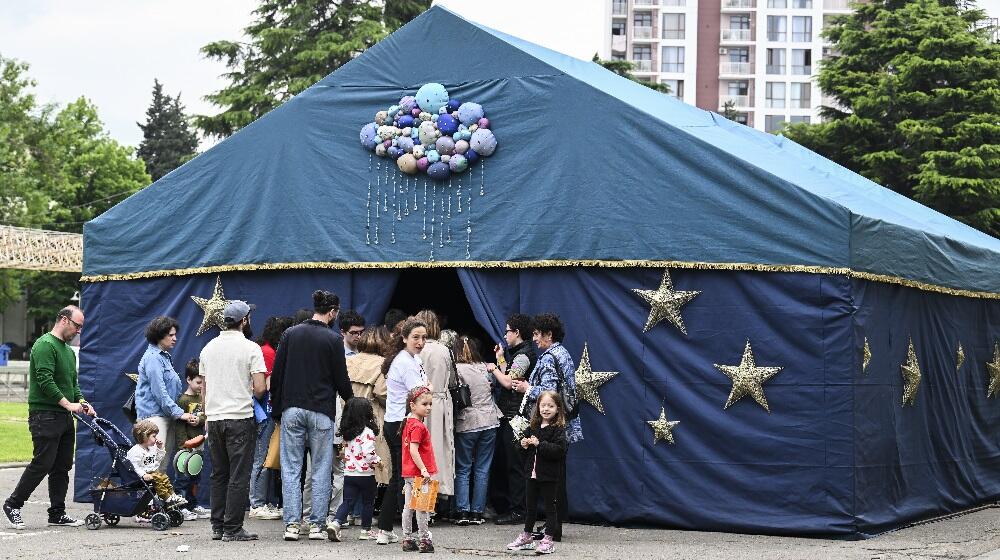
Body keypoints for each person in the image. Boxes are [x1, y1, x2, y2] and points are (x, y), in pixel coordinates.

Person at [270, 290, 354, 542]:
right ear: (332, 312)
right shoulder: (332, 339)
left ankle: (292, 525)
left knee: (292, 468)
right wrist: (351, 402)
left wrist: (277, 411)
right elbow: (341, 378)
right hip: (321, 411)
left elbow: (278, 374)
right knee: (320, 469)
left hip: (292, 409)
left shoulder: (290, 334)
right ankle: (317, 525)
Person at [4, 306, 95, 529]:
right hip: (44, 415)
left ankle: (57, 513)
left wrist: (82, 403)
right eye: (77, 326)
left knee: (62, 466)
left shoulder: (67, 351)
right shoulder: (45, 345)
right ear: (64, 320)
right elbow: (45, 381)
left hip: (63, 416)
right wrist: (68, 404)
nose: (79, 331)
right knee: (42, 463)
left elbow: (72, 385)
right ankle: (13, 504)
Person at [200, 300, 267, 542]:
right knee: (239, 474)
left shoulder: (208, 348)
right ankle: (233, 528)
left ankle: (218, 525)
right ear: (244, 320)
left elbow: (203, 389)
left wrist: (206, 415)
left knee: (219, 474)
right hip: (239, 417)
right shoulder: (251, 348)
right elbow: (259, 388)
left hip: (215, 418)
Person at [511, 313, 581, 541]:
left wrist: (527, 389)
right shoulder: (564, 353)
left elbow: (548, 393)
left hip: (552, 425)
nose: (533, 339)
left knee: (552, 477)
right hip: (564, 422)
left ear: (549, 335)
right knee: (557, 475)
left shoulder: (550, 357)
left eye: (536, 334)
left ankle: (554, 529)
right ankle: (555, 526)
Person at [376, 318, 428, 545]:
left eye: (424, 337)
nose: (420, 342)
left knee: (400, 476)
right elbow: (421, 393)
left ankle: (386, 528)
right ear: (404, 338)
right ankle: (412, 530)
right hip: (401, 424)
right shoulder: (406, 362)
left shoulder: (410, 359)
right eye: (415, 337)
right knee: (407, 478)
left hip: (396, 422)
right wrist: (430, 388)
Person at [487, 314, 536, 526]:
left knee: (516, 465)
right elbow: (510, 373)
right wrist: (500, 359)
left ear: (517, 333)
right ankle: (516, 507)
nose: (505, 335)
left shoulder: (523, 356)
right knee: (511, 463)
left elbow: (508, 382)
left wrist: (494, 368)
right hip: (512, 414)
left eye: (508, 331)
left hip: (517, 417)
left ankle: (519, 510)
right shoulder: (517, 354)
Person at [506, 391, 568, 555]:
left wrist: (540, 444)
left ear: (557, 409)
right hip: (531, 475)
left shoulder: (558, 429)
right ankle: (527, 536)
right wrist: (523, 445)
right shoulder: (532, 427)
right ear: (537, 407)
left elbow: (559, 451)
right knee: (530, 508)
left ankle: (548, 539)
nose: (546, 409)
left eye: (550, 406)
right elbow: (521, 452)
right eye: (543, 405)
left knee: (550, 509)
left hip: (549, 476)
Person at [135, 316, 199, 475]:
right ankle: (148, 500)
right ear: (159, 335)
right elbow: (159, 393)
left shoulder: (163, 357)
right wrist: (180, 414)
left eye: (175, 334)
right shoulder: (153, 358)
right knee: (151, 467)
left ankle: (158, 499)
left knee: (161, 465)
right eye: (170, 335)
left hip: (165, 417)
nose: (175, 338)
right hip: (154, 418)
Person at [453, 336, 501, 526]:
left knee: (463, 468)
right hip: (490, 420)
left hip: (467, 422)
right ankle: (477, 513)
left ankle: (462, 511)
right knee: (483, 468)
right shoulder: (485, 367)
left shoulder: (456, 369)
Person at [249, 316, 292, 521]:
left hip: (267, 411)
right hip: (265, 412)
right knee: (263, 458)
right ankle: (257, 503)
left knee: (266, 457)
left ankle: (263, 501)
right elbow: (264, 387)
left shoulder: (265, 350)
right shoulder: (268, 352)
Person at [345, 327, 392, 512]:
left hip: (349, 416)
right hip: (371, 418)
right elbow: (382, 393)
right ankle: (361, 513)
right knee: (370, 466)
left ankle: (348, 510)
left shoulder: (349, 361)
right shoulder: (382, 364)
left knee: (351, 464)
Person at [328, 398, 385, 541]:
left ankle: (336, 523)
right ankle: (366, 530)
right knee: (368, 502)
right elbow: (368, 453)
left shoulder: (348, 433)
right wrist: (378, 462)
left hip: (349, 474)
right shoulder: (367, 432)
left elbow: (344, 452)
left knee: (347, 501)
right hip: (365, 474)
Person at [413, 310, 455, 501]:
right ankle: (433, 499)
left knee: (418, 451)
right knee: (437, 451)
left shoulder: (415, 350)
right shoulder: (444, 350)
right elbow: (452, 380)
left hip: (418, 404)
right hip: (439, 405)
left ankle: (419, 500)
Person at [127, 419, 188, 523]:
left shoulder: (151, 449)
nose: (156, 439)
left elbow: (157, 462)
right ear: (145, 436)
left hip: (152, 473)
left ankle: (172, 496)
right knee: (158, 478)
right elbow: (134, 467)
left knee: (164, 477)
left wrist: (160, 448)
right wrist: (143, 474)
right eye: (154, 436)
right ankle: (167, 498)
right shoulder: (135, 451)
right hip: (141, 477)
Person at [400, 386, 437, 553]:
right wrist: (423, 469)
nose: (428, 407)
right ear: (412, 405)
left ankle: (407, 538)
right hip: (419, 473)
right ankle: (424, 539)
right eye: (424, 404)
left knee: (409, 506)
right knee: (422, 507)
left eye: (430, 403)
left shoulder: (408, 423)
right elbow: (413, 450)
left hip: (408, 472)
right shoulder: (419, 427)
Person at [174, 358, 210, 520]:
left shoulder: (202, 398)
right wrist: (183, 444)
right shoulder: (182, 400)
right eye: (198, 382)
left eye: (203, 382)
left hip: (199, 446)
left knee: (195, 477)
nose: (201, 386)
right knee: (182, 478)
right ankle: (180, 507)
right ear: (188, 380)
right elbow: (179, 424)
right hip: (185, 447)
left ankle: (192, 505)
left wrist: (200, 420)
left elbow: (205, 416)